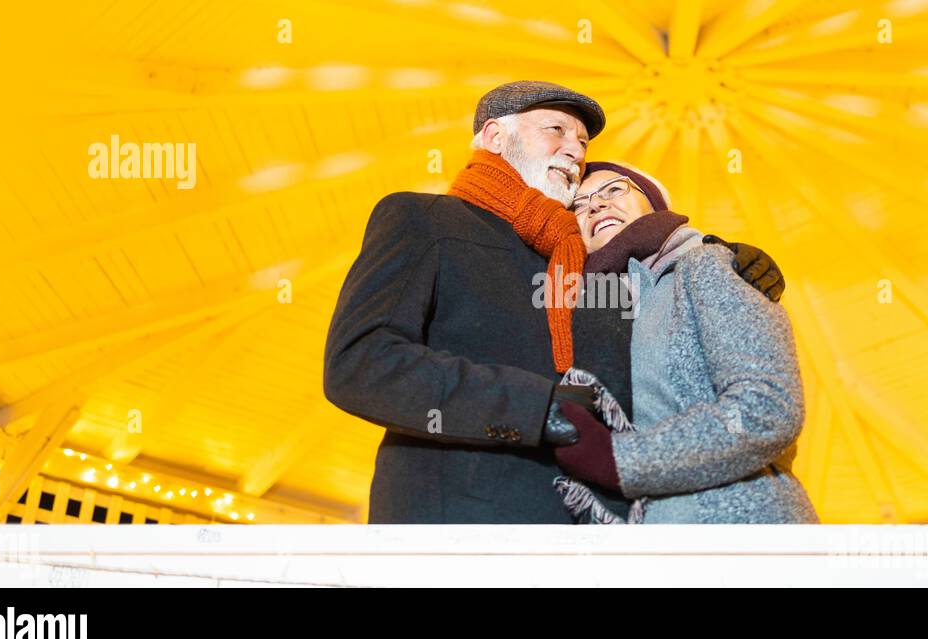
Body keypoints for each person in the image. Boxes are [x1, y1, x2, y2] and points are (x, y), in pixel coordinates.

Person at [323, 80, 789, 524]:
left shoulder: (578, 263)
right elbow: (361, 362)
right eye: (557, 130)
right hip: (461, 518)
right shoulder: (422, 218)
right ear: (493, 135)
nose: (576, 150)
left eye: (583, 142)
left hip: (594, 530)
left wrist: (711, 262)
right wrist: (536, 407)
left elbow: (665, 382)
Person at [549, 162, 819, 524]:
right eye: (579, 205)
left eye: (615, 189)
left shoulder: (706, 265)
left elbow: (765, 409)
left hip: (742, 531)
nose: (595, 205)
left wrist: (619, 461)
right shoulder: (585, 316)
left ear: (656, 203)